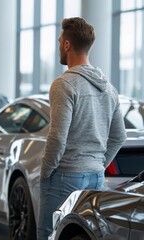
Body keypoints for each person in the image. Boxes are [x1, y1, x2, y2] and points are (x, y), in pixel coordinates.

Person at [37, 17, 127, 239]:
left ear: (67, 45)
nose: (59, 45)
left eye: (60, 41)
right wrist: (97, 164)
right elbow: (119, 136)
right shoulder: (109, 89)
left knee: (49, 234)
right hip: (96, 177)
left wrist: (46, 172)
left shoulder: (64, 84)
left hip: (65, 176)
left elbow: (57, 137)